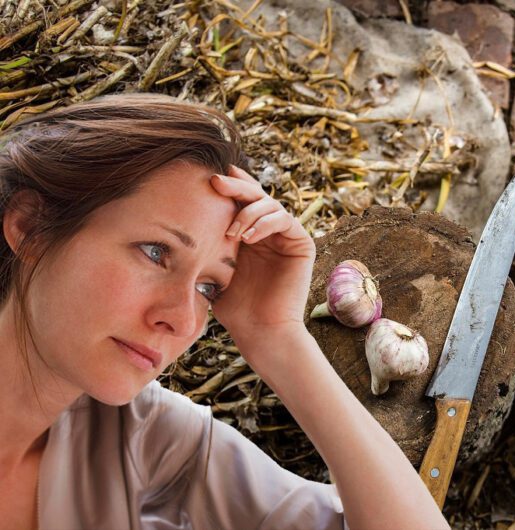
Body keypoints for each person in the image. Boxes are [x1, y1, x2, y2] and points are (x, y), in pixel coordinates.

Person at [0, 93, 450, 530]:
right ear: (31, 229)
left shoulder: (144, 438)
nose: (182, 319)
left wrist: (278, 336)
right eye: (156, 252)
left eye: (208, 288)